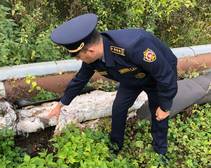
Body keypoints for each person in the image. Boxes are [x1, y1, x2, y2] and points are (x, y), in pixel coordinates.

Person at [48, 13, 178, 160]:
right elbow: (80, 79)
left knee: (159, 114)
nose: (79, 60)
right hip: (131, 80)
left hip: (157, 79)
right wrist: (61, 104)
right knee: (118, 109)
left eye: (79, 57)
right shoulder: (94, 58)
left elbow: (166, 75)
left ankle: (160, 151)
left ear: (90, 51)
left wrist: (165, 106)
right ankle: (116, 145)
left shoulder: (135, 46)